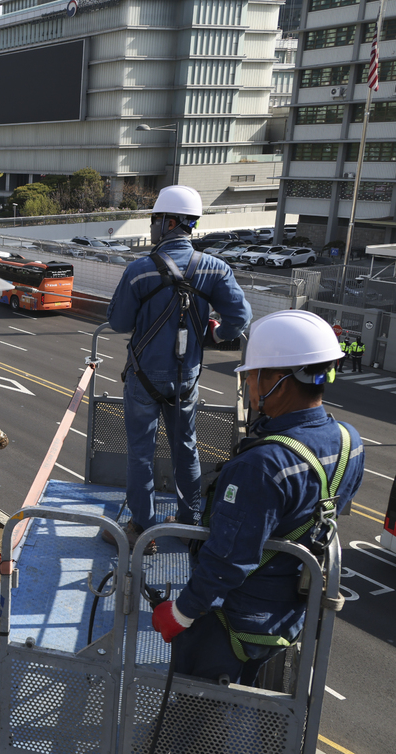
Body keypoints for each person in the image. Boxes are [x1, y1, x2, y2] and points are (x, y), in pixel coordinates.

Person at [152, 310, 364, 687]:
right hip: (288, 617)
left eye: (251, 375)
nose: (249, 385)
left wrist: (181, 614)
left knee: (192, 721)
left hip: (233, 624)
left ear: (277, 381)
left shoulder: (263, 464)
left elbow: (229, 560)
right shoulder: (350, 442)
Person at [104, 185, 252, 553]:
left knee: (141, 451)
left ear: (169, 222)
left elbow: (120, 322)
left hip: (143, 378)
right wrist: (216, 336)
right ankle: (189, 523)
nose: (154, 228)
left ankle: (142, 526)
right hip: (186, 378)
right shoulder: (215, 269)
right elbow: (240, 317)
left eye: (156, 220)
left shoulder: (140, 271)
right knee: (185, 447)